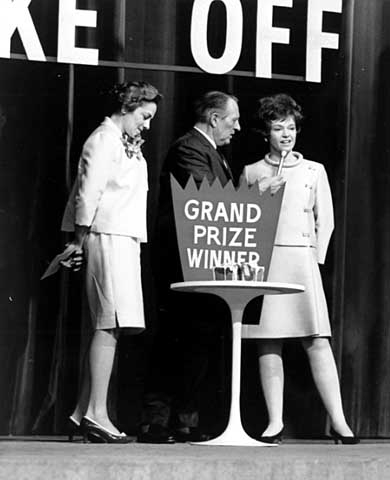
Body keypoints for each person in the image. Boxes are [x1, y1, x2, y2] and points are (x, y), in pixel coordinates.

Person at [139, 91, 283, 444]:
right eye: (232, 120)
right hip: (180, 262)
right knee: (177, 340)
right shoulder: (188, 148)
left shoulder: (214, 152)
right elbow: (207, 199)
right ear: (214, 118)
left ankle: (185, 420)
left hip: (205, 263)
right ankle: (156, 421)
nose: (236, 128)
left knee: (198, 341)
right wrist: (258, 189)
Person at [241, 93, 359, 444]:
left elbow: (328, 222)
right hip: (266, 264)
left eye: (291, 127)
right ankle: (274, 422)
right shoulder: (252, 172)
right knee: (267, 341)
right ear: (266, 133)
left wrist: (313, 259)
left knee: (316, 340)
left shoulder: (313, 170)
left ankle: (339, 421)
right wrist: (259, 192)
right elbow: (242, 221)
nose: (286, 134)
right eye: (278, 128)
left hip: (301, 262)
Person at [61, 81, 162, 443]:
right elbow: (87, 193)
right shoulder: (103, 138)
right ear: (128, 106)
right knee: (109, 324)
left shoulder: (124, 142)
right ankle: (97, 414)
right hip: (107, 237)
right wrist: (78, 239)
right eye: (144, 116)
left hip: (124, 238)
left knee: (108, 326)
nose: (147, 125)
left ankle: (82, 411)